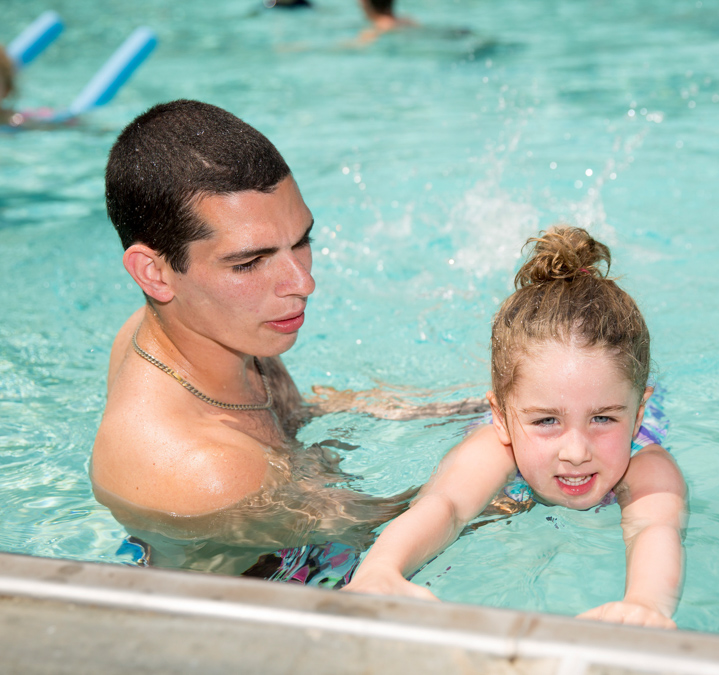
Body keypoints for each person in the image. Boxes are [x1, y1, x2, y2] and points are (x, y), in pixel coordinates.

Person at [92, 99, 483, 581]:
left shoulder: (210, 332)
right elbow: (395, 528)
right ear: (154, 272)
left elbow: (297, 417)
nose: (301, 282)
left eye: (301, 242)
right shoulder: (208, 470)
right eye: (249, 263)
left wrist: (459, 410)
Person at [344, 226, 687, 628]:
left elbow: (654, 526)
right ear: (503, 419)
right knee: (415, 409)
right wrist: (380, 569)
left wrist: (646, 604)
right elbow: (448, 506)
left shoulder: (645, 463)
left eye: (603, 418)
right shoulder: (496, 444)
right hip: (500, 413)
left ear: (638, 416)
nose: (576, 451)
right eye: (547, 421)